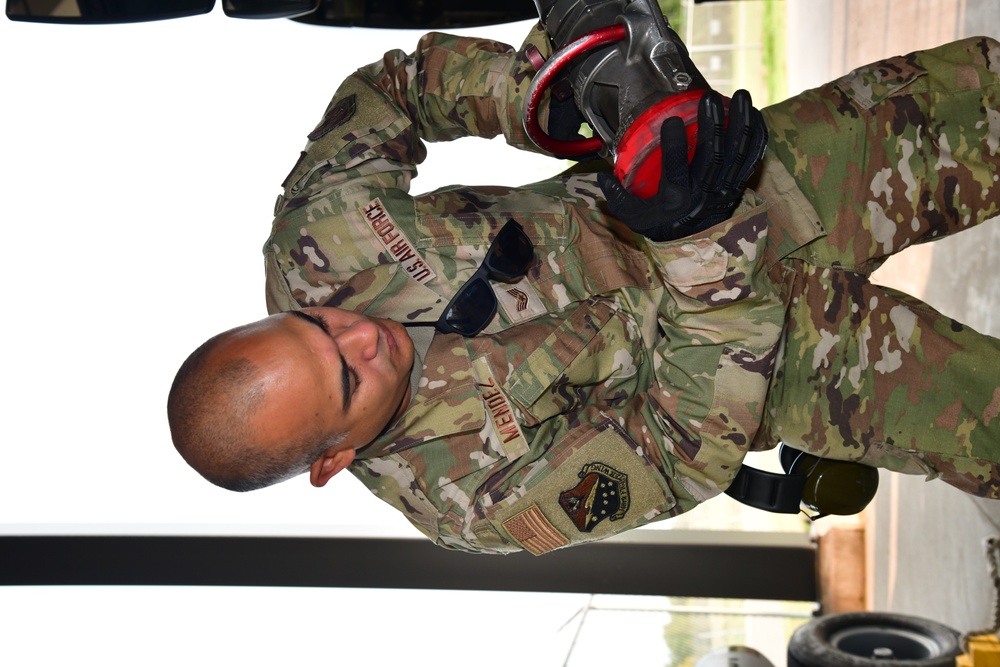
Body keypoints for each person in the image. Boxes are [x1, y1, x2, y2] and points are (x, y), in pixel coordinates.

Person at [168, 24, 1000, 555]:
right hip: (798, 366)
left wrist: (534, 105)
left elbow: (395, 90)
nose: (362, 337)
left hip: (756, 178)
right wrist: (691, 243)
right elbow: (675, 451)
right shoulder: (465, 499)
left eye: (317, 325)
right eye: (348, 380)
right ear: (335, 458)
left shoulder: (317, 237)